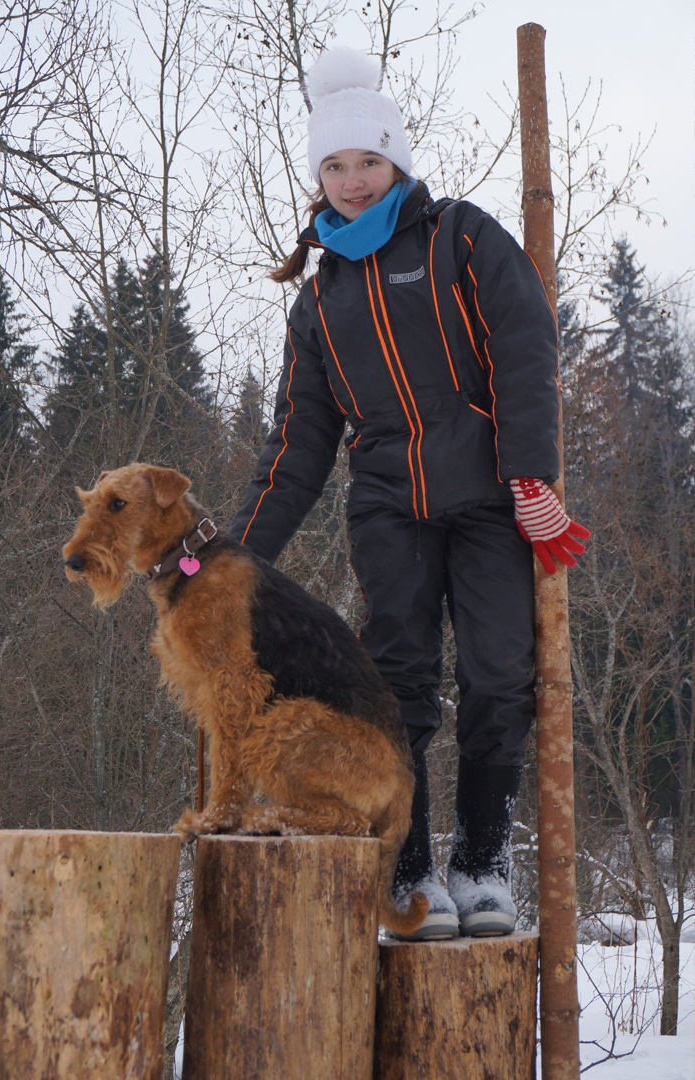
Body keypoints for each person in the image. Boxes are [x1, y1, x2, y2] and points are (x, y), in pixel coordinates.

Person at [229, 47, 589, 940]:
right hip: (388, 506)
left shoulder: (459, 236)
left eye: (368, 163)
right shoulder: (318, 300)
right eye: (335, 167)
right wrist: (230, 558)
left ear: (396, 163)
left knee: (500, 676)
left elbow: (525, 348)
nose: (353, 181)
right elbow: (298, 444)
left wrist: (529, 474)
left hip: (488, 499)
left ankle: (481, 860)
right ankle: (411, 865)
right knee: (395, 682)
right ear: (319, 176)